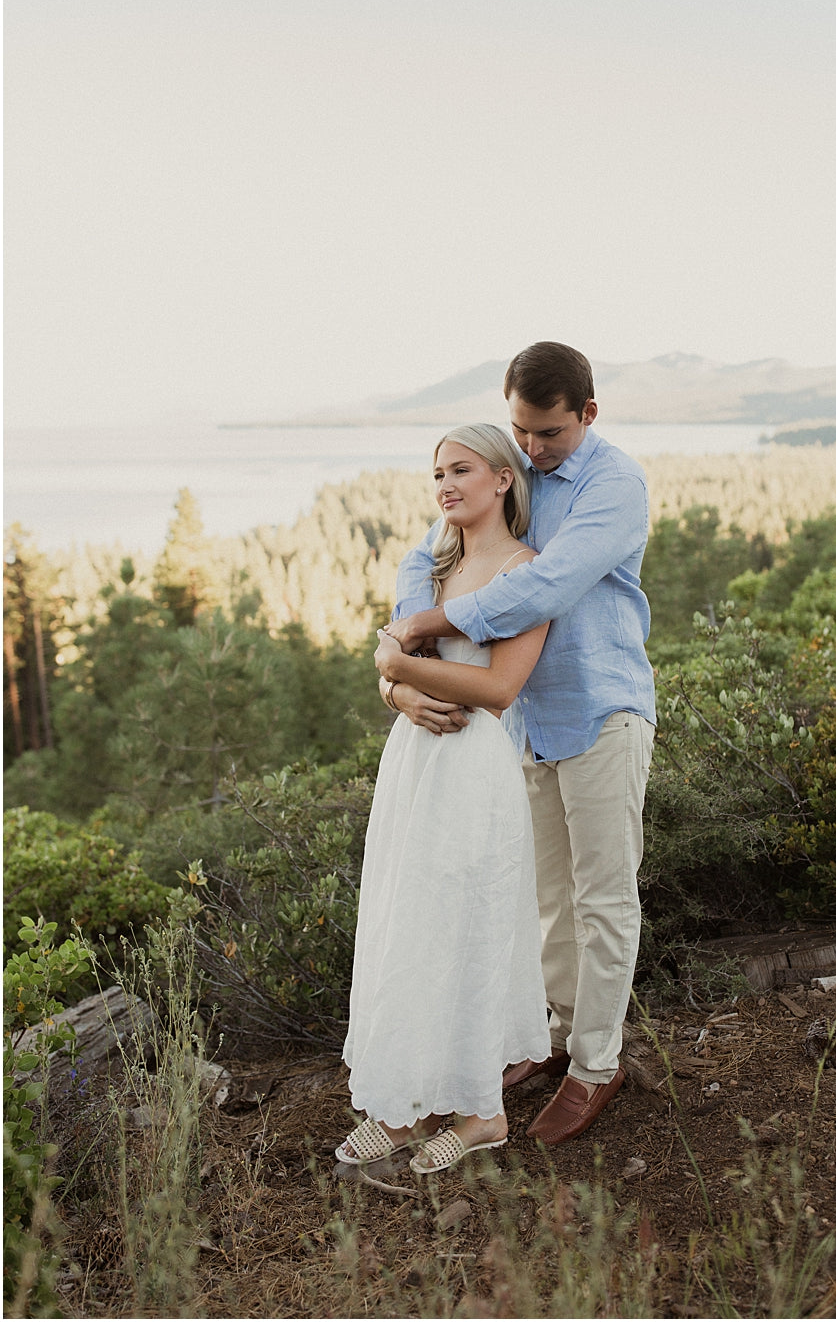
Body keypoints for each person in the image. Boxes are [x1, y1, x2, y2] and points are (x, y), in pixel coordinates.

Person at [383, 342, 656, 1147]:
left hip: (601, 706)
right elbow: (427, 552)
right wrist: (399, 652)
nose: (533, 450)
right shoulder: (515, 470)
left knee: (603, 897)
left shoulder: (614, 484)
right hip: (522, 726)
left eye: (549, 434)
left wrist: (421, 633)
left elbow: (545, 586)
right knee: (545, 901)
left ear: (587, 415)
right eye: (521, 432)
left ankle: (595, 1065)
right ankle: (557, 1037)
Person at [339, 423, 551, 1175]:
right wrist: (395, 689)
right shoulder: (430, 566)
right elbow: (390, 657)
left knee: (466, 923)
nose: (444, 486)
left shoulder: (528, 572)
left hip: (472, 769)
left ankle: (480, 1112)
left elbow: (497, 689)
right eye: (436, 475)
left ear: (502, 478)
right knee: (409, 920)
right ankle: (406, 1107)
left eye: (460, 470)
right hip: (414, 764)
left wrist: (398, 668)